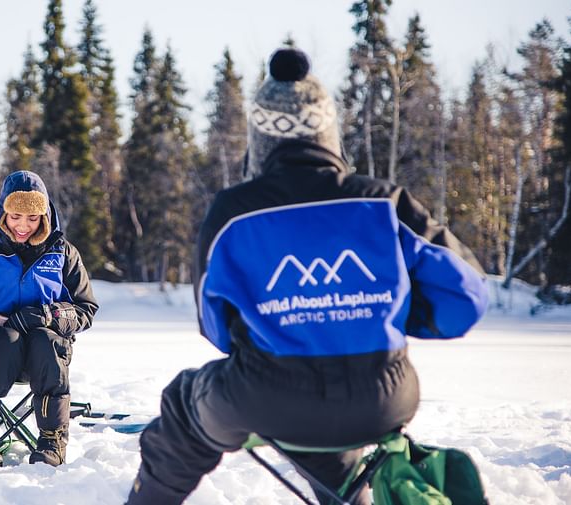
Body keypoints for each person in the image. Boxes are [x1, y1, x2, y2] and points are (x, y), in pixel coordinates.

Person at [126, 48, 488, 504]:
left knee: (184, 404)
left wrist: (291, 323)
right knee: (326, 436)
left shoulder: (234, 213)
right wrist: (377, 314)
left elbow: (214, 327)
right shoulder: (383, 203)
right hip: (383, 399)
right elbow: (464, 300)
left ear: (260, 141)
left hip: (267, 397)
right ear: (329, 134)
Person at [0, 170, 98, 466]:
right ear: (2, 212)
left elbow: (85, 307)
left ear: (45, 217)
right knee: (6, 339)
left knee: (44, 340)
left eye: (32, 218)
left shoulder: (62, 253)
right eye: (15, 216)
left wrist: (47, 315)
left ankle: (52, 442)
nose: (23, 226)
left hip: (46, 354)